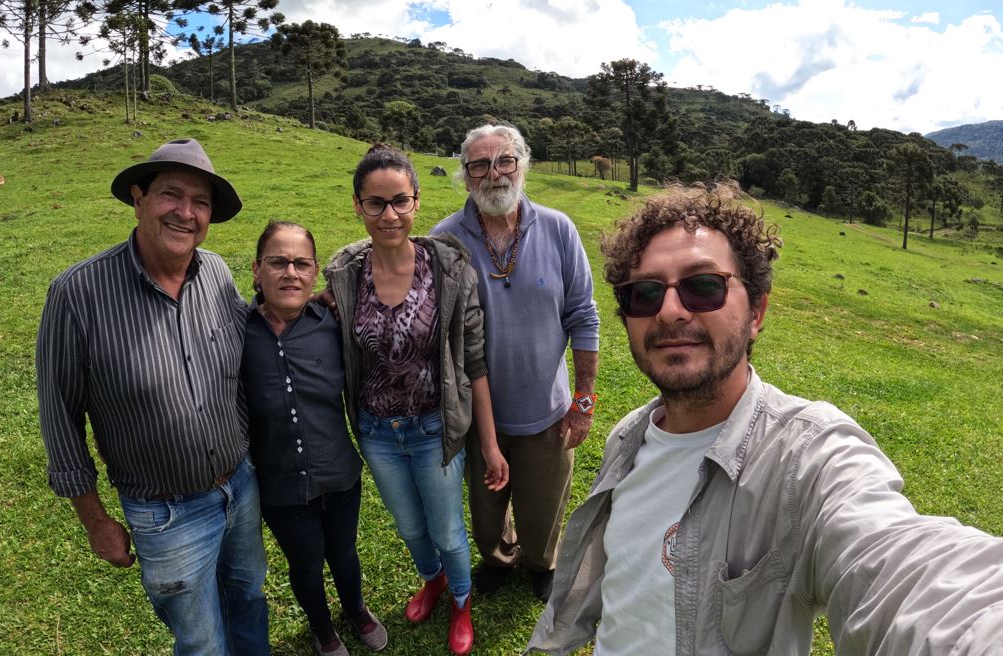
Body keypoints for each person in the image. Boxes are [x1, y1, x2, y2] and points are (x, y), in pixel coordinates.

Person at [528, 182, 1003, 655]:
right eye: (645, 294)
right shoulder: (629, 436)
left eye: (704, 287)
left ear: (756, 311)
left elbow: (900, 567)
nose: (670, 311)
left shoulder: (808, 458)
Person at [36, 138, 269, 655]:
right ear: (139, 198)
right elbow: (59, 417)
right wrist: (95, 521)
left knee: (249, 600)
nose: (186, 212)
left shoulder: (214, 272)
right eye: (171, 194)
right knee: (201, 638)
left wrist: (303, 306)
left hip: (240, 486)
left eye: (201, 202)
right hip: (164, 514)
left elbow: (251, 333)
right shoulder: (78, 293)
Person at [323, 143, 508, 656]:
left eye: (400, 201)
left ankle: (462, 601)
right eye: (376, 203)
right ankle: (433, 581)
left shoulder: (449, 270)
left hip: (435, 430)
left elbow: (475, 362)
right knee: (408, 525)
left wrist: (490, 445)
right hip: (377, 431)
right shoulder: (345, 276)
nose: (390, 215)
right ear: (358, 205)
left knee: (448, 530)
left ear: (417, 201)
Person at [431, 124, 600, 603]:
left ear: (522, 166)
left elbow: (583, 315)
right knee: (485, 513)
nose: (494, 174)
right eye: (480, 165)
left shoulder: (558, 228)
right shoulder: (445, 239)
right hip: (477, 415)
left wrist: (583, 398)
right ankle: (500, 557)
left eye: (505, 161)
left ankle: (541, 561)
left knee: (543, 509)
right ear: (465, 176)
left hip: (548, 409)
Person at [241, 220, 387, 656]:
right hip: (281, 485)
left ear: (314, 271)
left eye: (302, 264)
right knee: (304, 563)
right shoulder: (235, 331)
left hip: (338, 473)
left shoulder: (332, 323)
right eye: (278, 262)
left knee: (343, 553)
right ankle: (323, 629)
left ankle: (356, 609)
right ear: (256, 269)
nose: (291, 273)